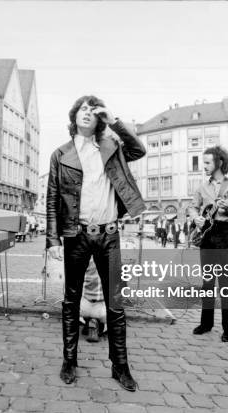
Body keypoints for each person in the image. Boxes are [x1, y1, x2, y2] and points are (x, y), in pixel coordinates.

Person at [46, 95, 145, 391]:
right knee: (71, 300)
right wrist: (52, 239)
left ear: (99, 117)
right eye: (83, 109)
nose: (87, 113)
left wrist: (114, 119)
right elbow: (52, 199)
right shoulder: (61, 154)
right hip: (76, 234)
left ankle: (120, 366)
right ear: (74, 116)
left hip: (109, 234)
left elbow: (138, 150)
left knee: (116, 303)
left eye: (93, 110)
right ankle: (69, 360)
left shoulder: (111, 147)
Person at [189, 146, 228, 343]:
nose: (203, 166)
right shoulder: (202, 186)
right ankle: (206, 324)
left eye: (207, 162)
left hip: (224, 234)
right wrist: (196, 218)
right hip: (207, 235)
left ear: (219, 163)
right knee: (207, 282)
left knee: (224, 284)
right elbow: (192, 206)